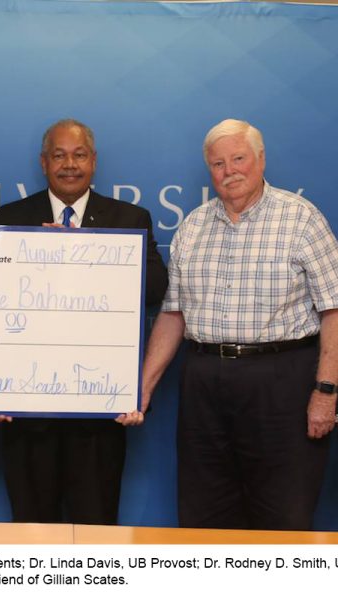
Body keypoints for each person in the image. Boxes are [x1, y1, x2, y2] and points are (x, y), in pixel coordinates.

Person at [140, 118, 338, 531]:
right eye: (218, 164)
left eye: (238, 159)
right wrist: (142, 388)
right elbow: (174, 315)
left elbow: (334, 310)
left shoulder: (301, 219)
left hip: (282, 382)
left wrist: (327, 392)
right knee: (203, 516)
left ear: (261, 159)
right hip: (204, 383)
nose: (229, 171)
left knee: (283, 517)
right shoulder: (193, 226)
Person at [0, 118, 168, 525]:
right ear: (43, 162)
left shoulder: (128, 220)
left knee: (96, 531)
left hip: (98, 414)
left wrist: (83, 255)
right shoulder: (9, 217)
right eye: (59, 155)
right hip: (27, 413)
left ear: (94, 161)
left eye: (79, 155)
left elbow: (156, 288)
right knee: (32, 535)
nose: (70, 165)